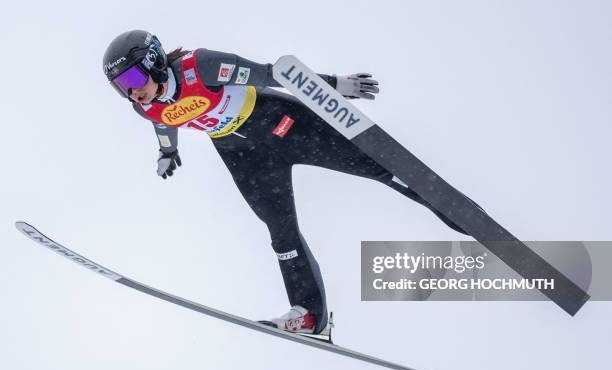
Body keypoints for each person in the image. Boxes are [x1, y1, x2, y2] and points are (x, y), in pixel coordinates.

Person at [103, 29, 469, 337]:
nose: (132, 93)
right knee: (281, 233)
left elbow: (268, 74)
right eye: (121, 88)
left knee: (376, 168)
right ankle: (311, 317)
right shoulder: (144, 106)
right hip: (242, 154)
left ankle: (459, 215)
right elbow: (163, 122)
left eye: (133, 79)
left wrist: (333, 86)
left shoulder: (201, 67)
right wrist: (167, 152)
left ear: (154, 61)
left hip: (279, 123)